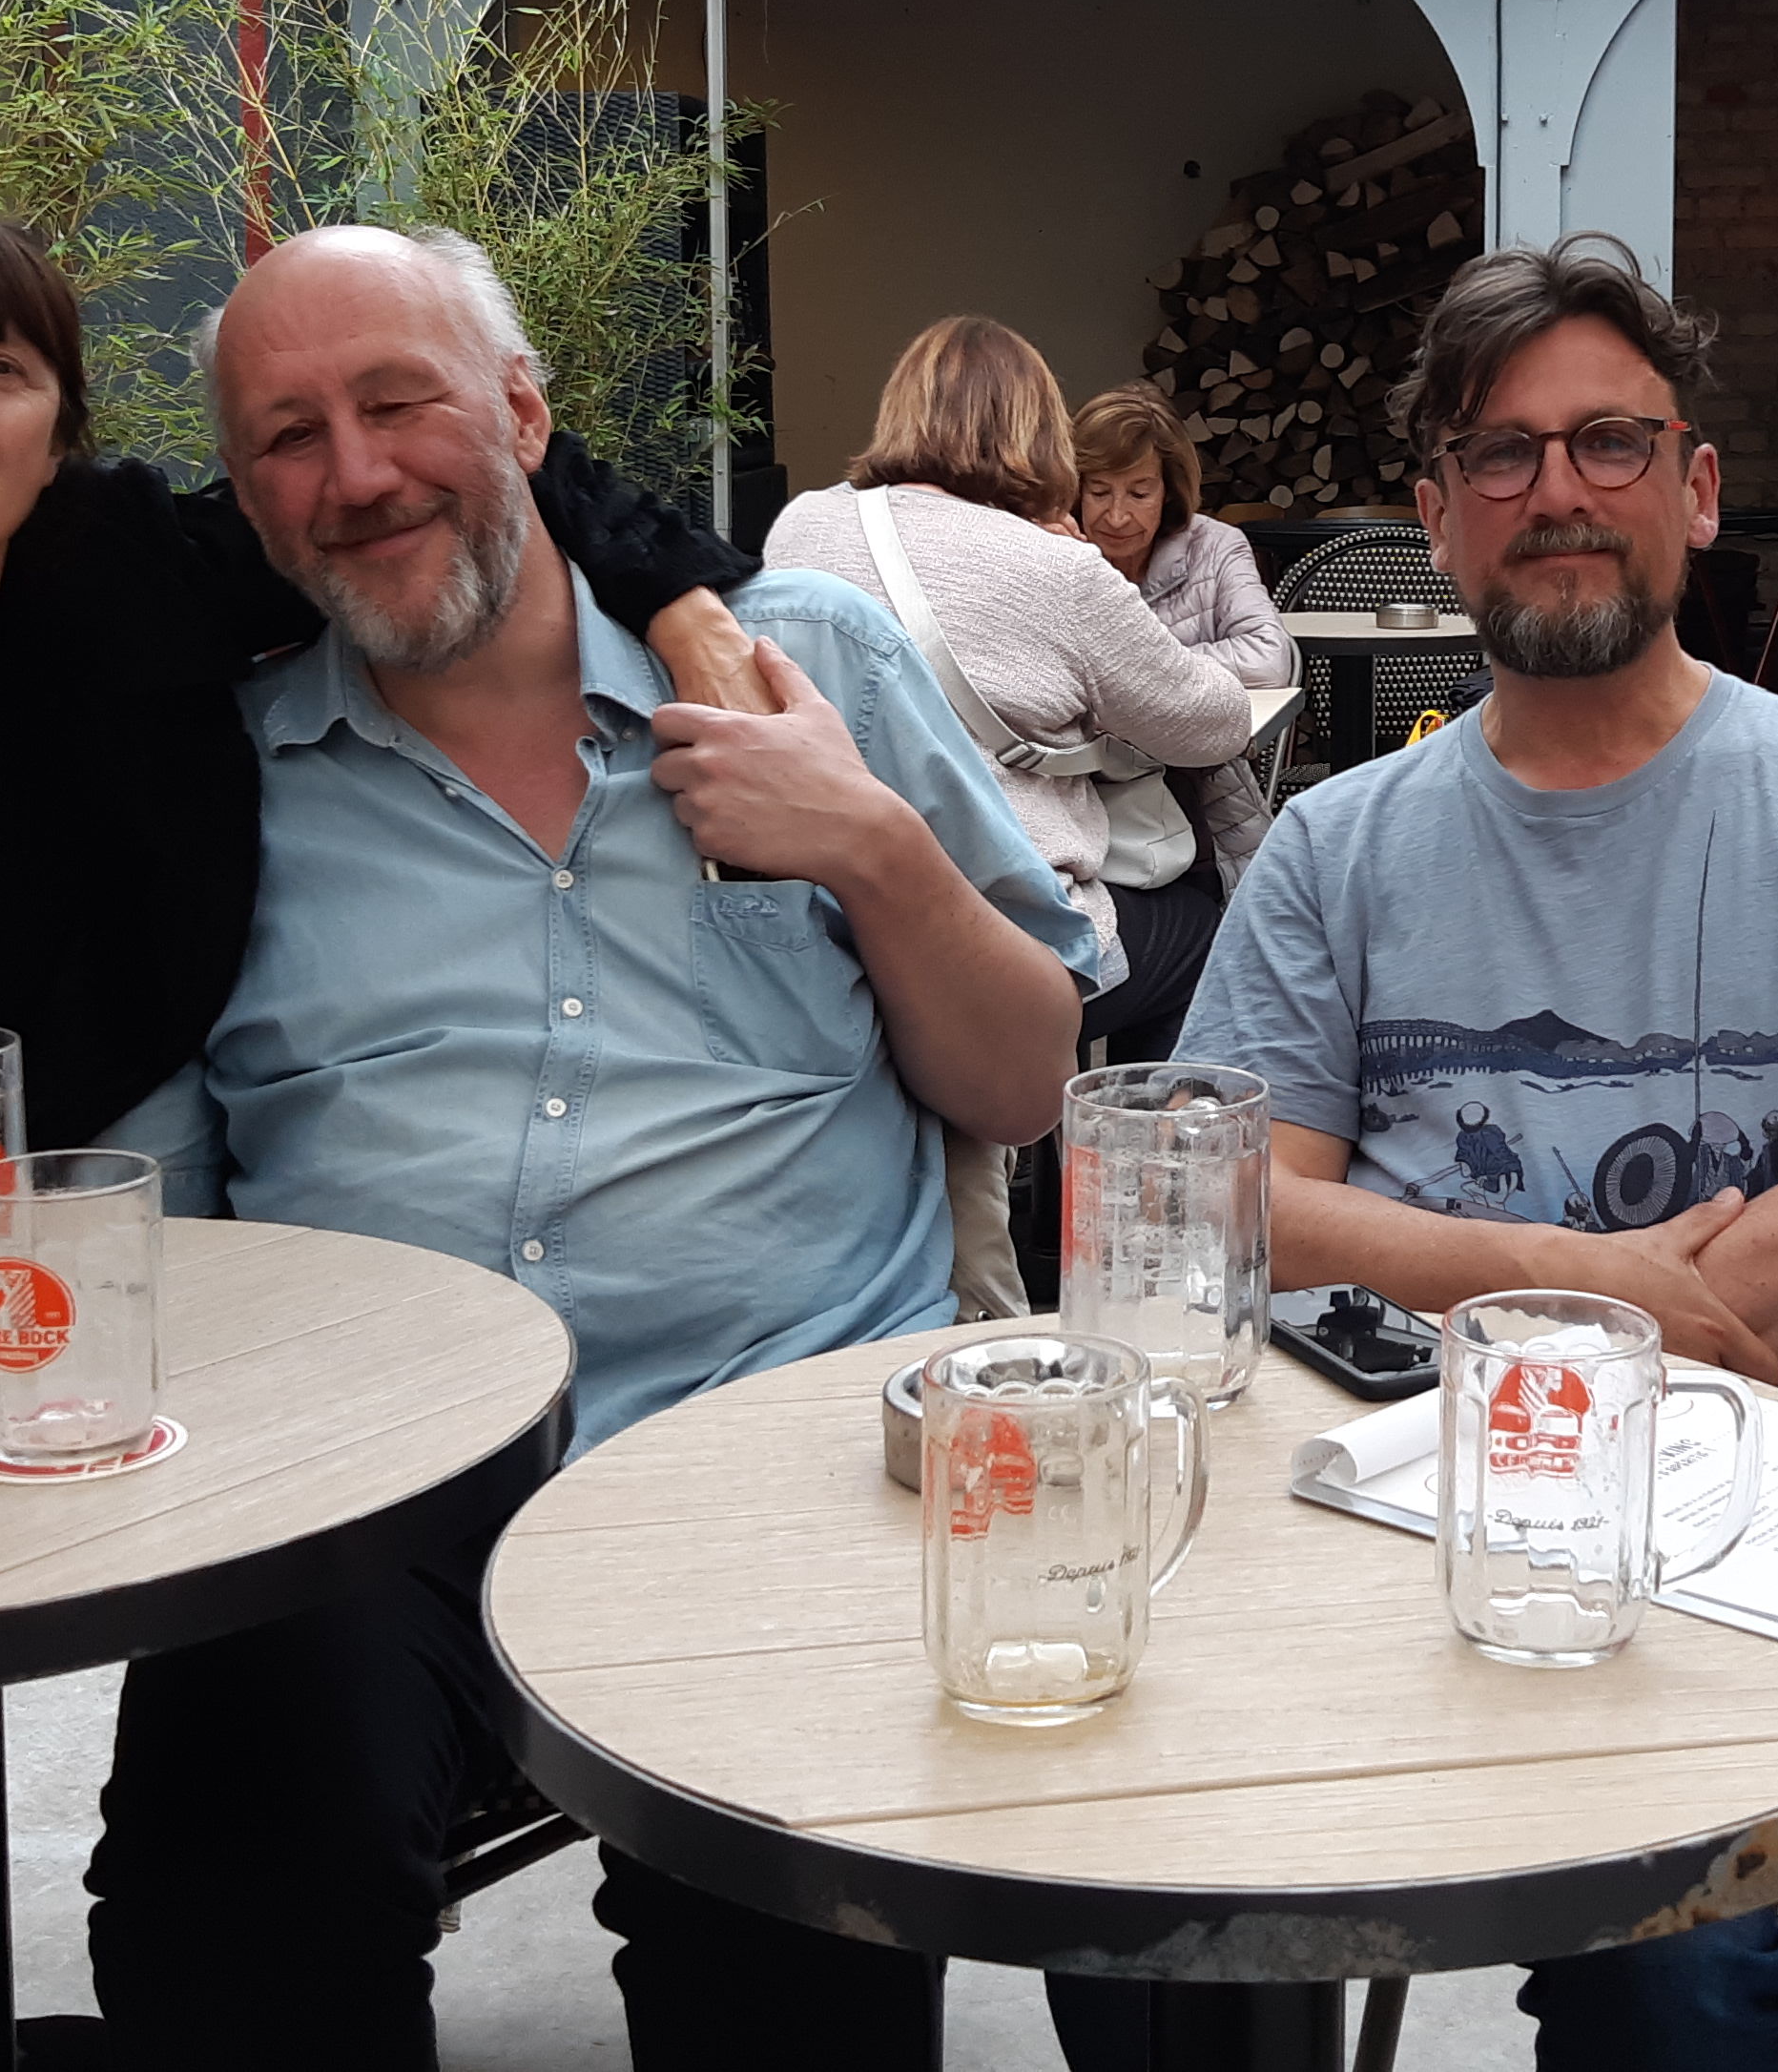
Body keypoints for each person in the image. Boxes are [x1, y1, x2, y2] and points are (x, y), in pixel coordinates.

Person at [0, 203, 763, 2071]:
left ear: (58, 431)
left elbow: (444, 470)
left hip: (148, 1272)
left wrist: (680, 595)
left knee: (255, 1805)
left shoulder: (126, 575)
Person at [115, 225, 1095, 2070]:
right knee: (227, 1888)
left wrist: (871, 843)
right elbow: (156, 1226)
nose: (355, 474)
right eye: (288, 438)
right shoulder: (214, 777)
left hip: (770, 1452)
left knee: (788, 1963)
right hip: (371, 1480)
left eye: (397, 402)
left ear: (522, 414)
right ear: (241, 503)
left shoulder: (801, 662)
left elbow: (1022, 1081)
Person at [1145, 234, 1778, 2066]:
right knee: (1153, 1895)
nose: (1556, 490)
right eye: (1500, 452)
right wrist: (1570, 1285)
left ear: (1694, 491)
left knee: (1674, 1979)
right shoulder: (1334, 843)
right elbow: (1229, 1207)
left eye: (1608, 442)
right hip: (1376, 1493)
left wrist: (1479, 1298)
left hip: (1735, 1501)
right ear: (1435, 518)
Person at [767, 318, 1256, 1064]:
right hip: (998, 938)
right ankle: (1113, 1129)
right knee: (1196, 929)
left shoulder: (800, 526)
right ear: (1039, 429)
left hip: (824, 924)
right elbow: (1214, 726)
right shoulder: (1055, 566)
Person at [1071, 380, 1294, 880]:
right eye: (1099, 491)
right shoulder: (1051, 550)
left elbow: (1268, 656)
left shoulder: (1215, 545)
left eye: (1139, 492)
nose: (1117, 515)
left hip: (1199, 796)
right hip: (1078, 793)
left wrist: (1141, 667)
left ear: (1169, 491)